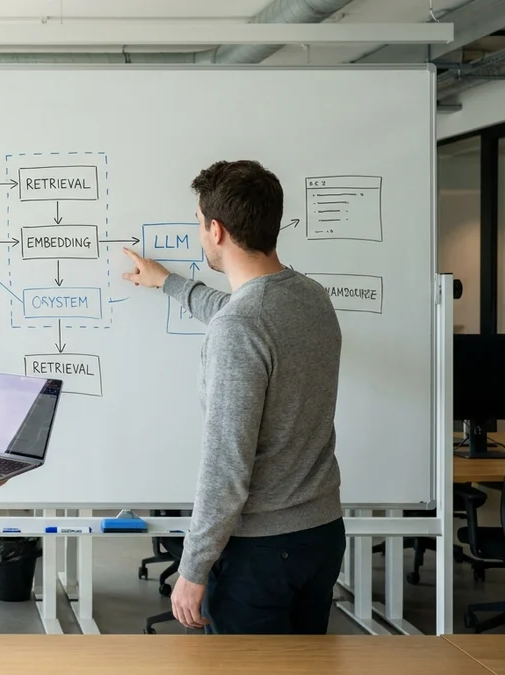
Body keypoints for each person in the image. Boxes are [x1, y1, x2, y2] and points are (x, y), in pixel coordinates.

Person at [121, 159, 346, 634]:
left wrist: (193, 568)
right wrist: (168, 282)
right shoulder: (310, 297)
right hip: (321, 536)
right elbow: (236, 310)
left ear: (216, 230)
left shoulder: (241, 328)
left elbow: (226, 464)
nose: (200, 234)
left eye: (199, 224)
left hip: (262, 553)